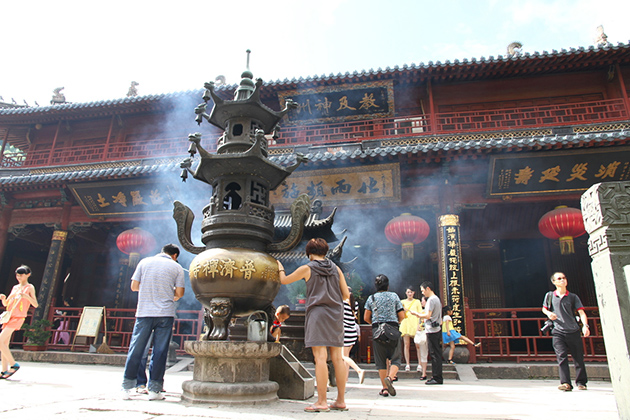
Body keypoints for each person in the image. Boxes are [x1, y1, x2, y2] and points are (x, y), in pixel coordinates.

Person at [278, 238, 350, 412]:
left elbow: (284, 280)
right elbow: (346, 294)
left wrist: (280, 266)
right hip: (336, 314)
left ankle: (322, 402)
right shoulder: (336, 269)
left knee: (320, 358)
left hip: (318, 314)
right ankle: (340, 400)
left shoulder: (307, 268)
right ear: (325, 252)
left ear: (309, 253)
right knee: (338, 358)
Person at [121, 244, 185, 401]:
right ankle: (155, 390)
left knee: (136, 349)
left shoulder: (144, 262)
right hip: (165, 314)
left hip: (144, 312)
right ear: (175, 255)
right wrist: (170, 294)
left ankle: (127, 387)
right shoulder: (176, 267)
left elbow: (134, 286)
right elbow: (180, 293)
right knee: (160, 351)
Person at [542, 272, 590, 392]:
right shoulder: (550, 296)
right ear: (554, 282)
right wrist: (549, 314)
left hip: (573, 330)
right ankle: (565, 383)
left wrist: (585, 326)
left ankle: (581, 382)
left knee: (578, 357)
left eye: (564, 278)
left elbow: (581, 312)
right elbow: (544, 308)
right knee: (561, 357)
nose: (562, 280)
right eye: (559, 278)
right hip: (558, 331)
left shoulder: (573, 297)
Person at [364, 274, 405, 397]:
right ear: (388, 285)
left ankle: (385, 388)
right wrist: (393, 324)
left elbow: (366, 317)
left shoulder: (371, 298)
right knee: (396, 358)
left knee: (381, 361)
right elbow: (402, 316)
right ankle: (390, 377)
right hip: (393, 329)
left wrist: (377, 325)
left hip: (377, 330)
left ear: (376, 286)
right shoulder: (394, 296)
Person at [0, 265, 38, 379]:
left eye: (21, 275)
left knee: (0, 341)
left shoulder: (29, 287)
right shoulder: (15, 287)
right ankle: (4, 370)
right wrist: (3, 299)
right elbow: (7, 304)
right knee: (4, 344)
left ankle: (13, 364)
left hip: (18, 317)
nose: (19, 277)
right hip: (9, 316)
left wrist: (26, 296)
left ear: (28, 275)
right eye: (17, 275)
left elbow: (35, 304)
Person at [419, 281, 443, 385]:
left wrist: (417, 314)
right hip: (435, 328)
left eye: (423, 290)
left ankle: (437, 377)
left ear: (428, 288)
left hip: (432, 330)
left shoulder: (431, 300)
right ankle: (436, 376)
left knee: (434, 354)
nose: (423, 293)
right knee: (435, 353)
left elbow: (428, 316)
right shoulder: (436, 299)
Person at [342, 287, 365, 384]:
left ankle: (359, 370)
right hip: (353, 331)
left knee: (343, 356)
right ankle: (345, 378)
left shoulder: (342, 303)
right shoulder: (354, 304)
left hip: (345, 331)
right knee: (346, 356)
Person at [399, 286, 422, 372]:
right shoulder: (402, 302)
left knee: (418, 345)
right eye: (408, 292)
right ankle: (407, 364)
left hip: (415, 324)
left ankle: (419, 363)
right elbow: (400, 314)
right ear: (406, 293)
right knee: (406, 345)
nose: (410, 294)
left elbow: (420, 313)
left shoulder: (417, 302)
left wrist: (420, 324)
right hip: (405, 323)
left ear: (414, 293)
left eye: (411, 292)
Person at [409, 296, 429, 380]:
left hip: (429, 333)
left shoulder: (429, 312)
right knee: (423, 352)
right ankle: (424, 373)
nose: (421, 302)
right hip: (422, 333)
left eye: (423, 301)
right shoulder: (422, 312)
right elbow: (420, 322)